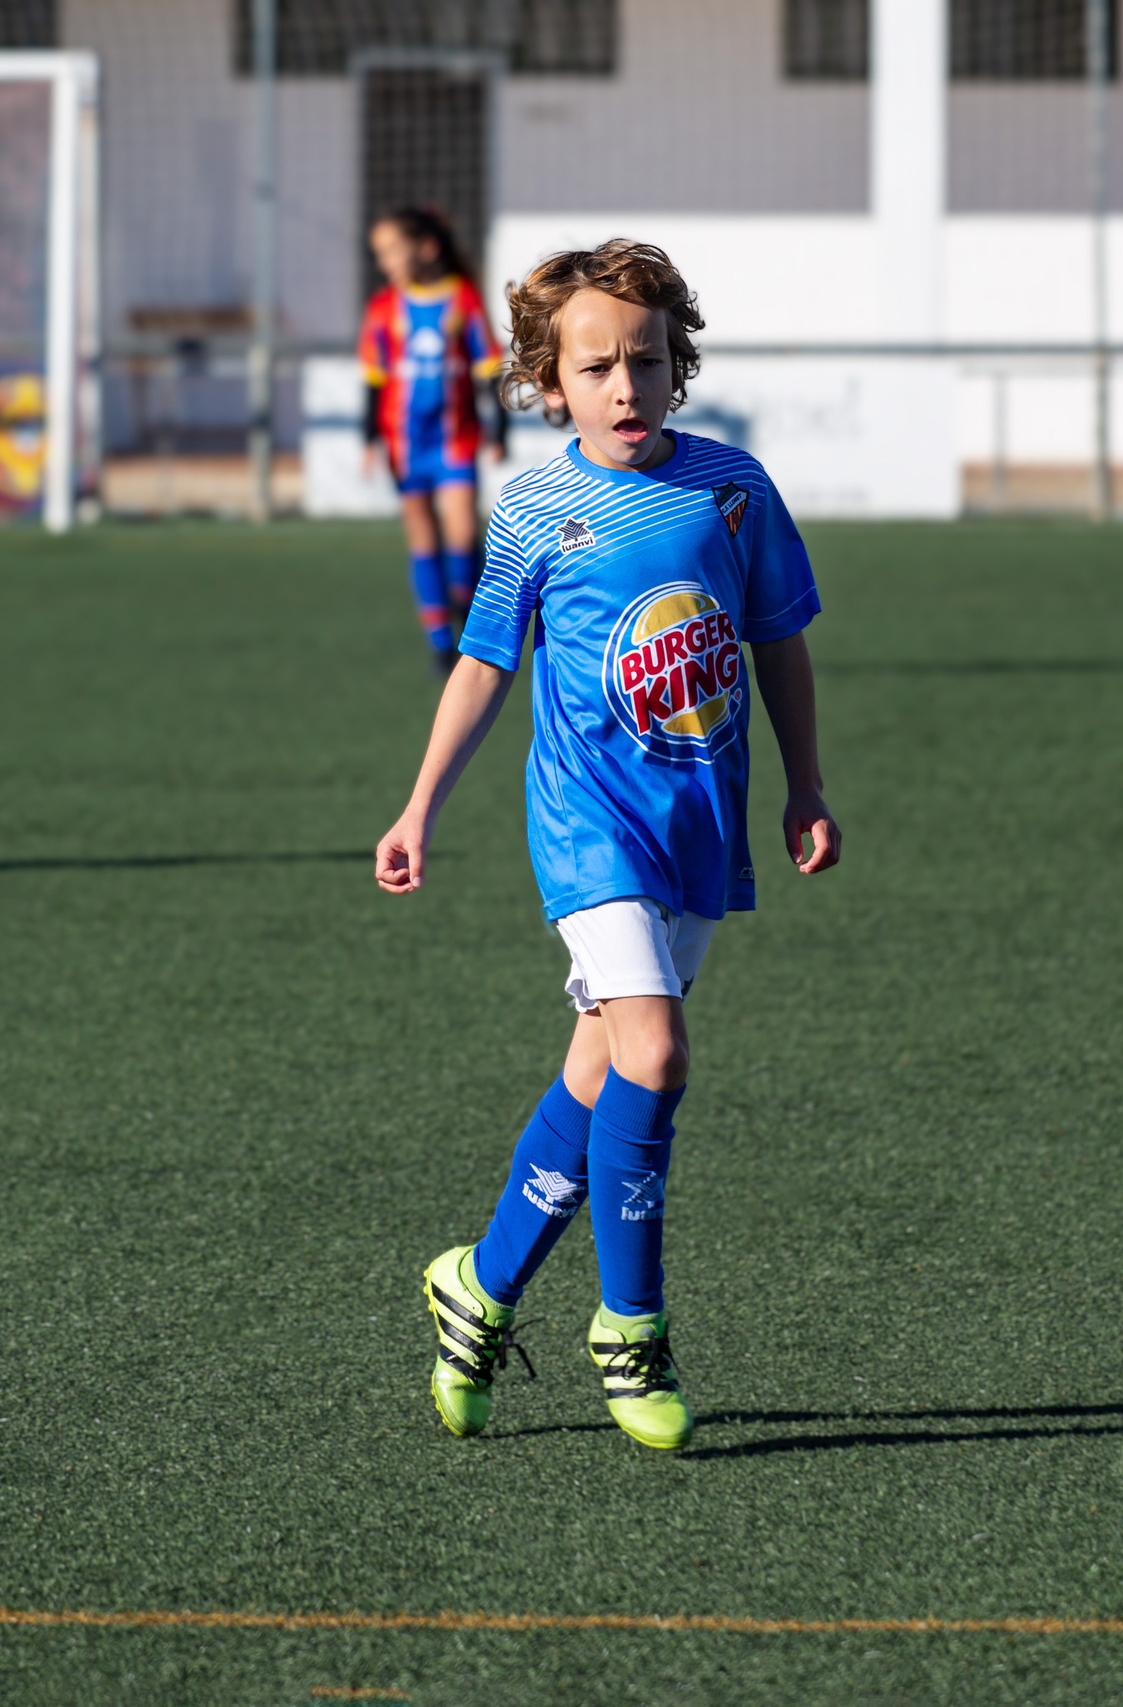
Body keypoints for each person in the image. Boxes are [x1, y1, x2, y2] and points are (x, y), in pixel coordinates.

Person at [375, 239, 838, 1452]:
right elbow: (485, 662)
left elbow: (778, 640)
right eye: (595, 367)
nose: (623, 386)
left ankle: (478, 1286)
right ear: (548, 383)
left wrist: (807, 785)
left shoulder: (731, 488)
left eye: (645, 361)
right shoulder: (534, 507)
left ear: (678, 367)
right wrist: (420, 805)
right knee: (660, 1051)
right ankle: (630, 1331)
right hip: (586, 829)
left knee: (601, 1071)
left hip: (698, 823)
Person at [358, 206, 506, 672]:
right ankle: (440, 642)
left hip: (455, 441)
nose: (385, 263)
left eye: (391, 251)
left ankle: (466, 602)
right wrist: (369, 438)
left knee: (462, 533)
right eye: (378, 255)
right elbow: (374, 379)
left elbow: (489, 367)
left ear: (425, 248)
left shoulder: (462, 300)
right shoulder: (383, 308)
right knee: (422, 538)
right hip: (405, 444)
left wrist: (500, 428)